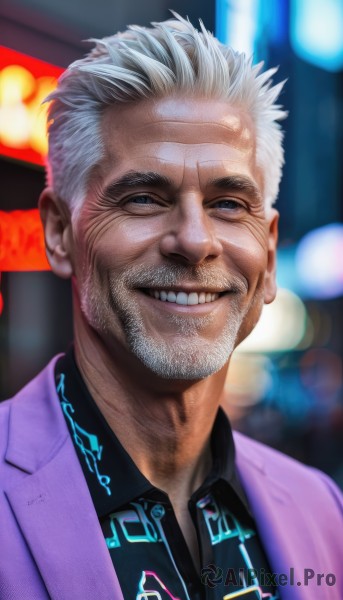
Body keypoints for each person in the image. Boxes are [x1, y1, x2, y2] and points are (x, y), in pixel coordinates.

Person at [0, 14, 342, 600]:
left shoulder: (322, 510)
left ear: (268, 250)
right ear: (59, 232)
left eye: (230, 203)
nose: (194, 240)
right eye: (142, 198)